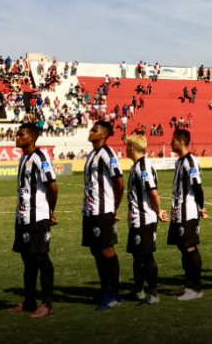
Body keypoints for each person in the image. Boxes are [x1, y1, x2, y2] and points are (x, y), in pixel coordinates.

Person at [7, 123, 57, 318]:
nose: (17, 137)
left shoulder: (40, 157)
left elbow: (52, 187)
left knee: (40, 257)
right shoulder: (23, 158)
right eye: (17, 134)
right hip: (23, 216)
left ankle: (47, 304)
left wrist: (51, 210)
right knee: (27, 259)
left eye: (21, 134)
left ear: (32, 138)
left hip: (37, 216)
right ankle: (29, 301)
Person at [82, 121, 125, 311]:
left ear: (104, 134)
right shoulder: (92, 154)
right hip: (90, 210)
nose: (90, 132)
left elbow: (120, 184)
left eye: (94, 130)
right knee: (96, 250)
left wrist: (114, 207)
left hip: (103, 210)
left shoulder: (108, 154)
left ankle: (115, 295)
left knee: (107, 250)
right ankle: (105, 291)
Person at [125, 134, 166, 307]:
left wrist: (158, 211)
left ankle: (153, 294)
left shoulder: (143, 167)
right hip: (137, 218)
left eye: (127, 146)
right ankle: (139, 290)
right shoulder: (137, 166)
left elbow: (152, 192)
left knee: (146, 256)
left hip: (144, 219)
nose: (125, 149)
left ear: (131, 148)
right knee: (138, 256)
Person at [167, 129, 206, 300]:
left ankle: (196, 288)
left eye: (173, 140)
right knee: (183, 247)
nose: (171, 143)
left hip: (188, 212)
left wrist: (201, 207)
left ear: (181, 141)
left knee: (190, 247)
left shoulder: (190, 161)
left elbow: (197, 187)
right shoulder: (179, 162)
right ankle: (187, 285)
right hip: (178, 212)